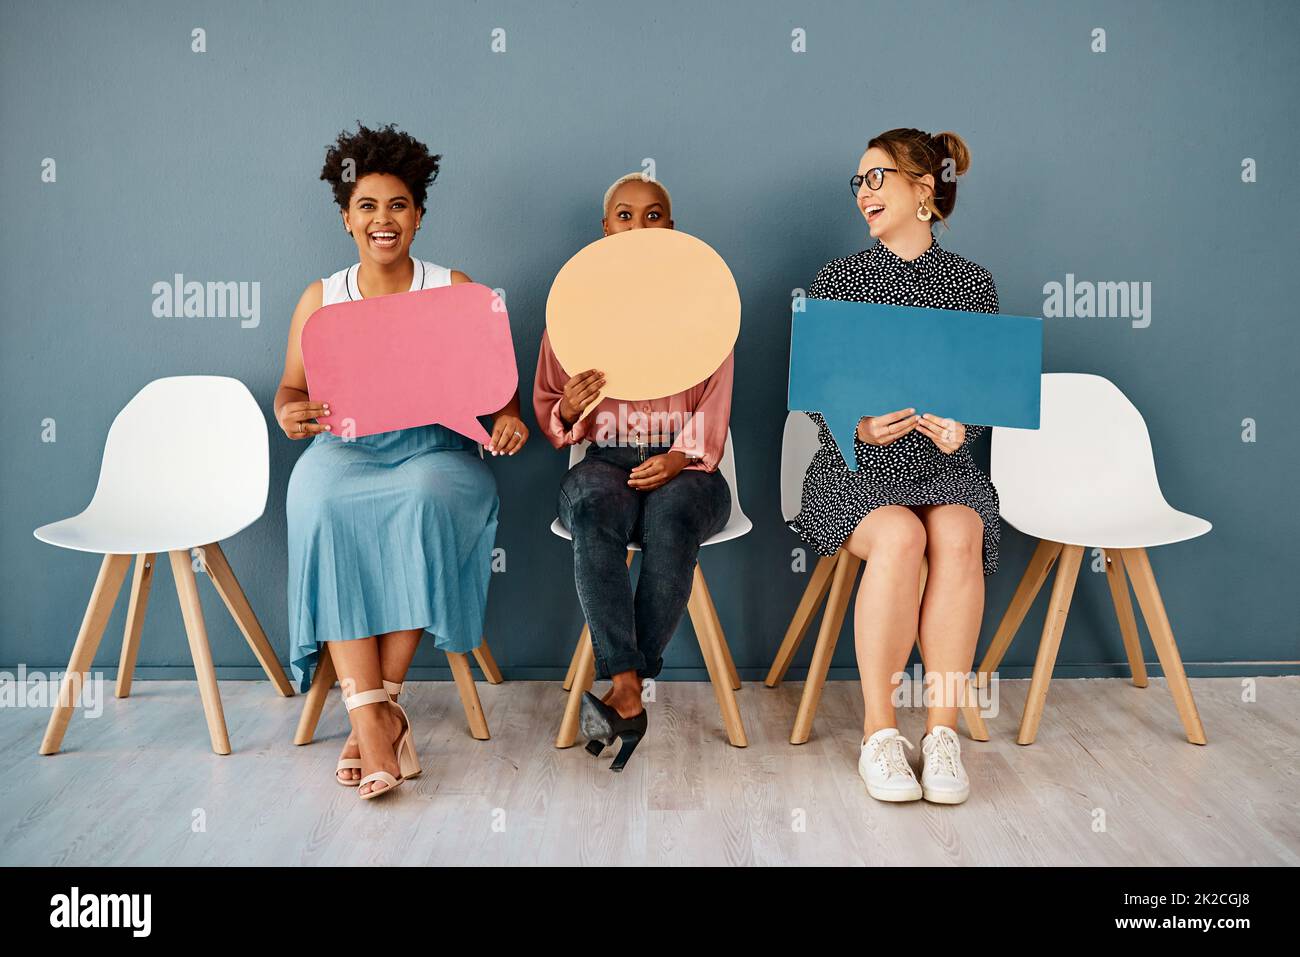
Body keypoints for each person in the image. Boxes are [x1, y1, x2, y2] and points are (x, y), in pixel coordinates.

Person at [275, 122, 529, 800]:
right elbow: (292, 390)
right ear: (345, 218)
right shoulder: (321, 297)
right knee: (322, 502)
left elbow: (498, 398)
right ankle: (377, 716)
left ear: (417, 215)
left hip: (436, 450)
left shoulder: (454, 287)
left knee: (423, 498)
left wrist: (507, 422)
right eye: (367, 206)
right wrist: (286, 411)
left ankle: (373, 720)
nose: (382, 219)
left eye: (397, 205)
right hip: (346, 450)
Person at [789, 128, 1000, 805]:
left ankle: (940, 735)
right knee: (903, 536)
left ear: (923, 189)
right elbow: (815, 395)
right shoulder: (838, 278)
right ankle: (880, 734)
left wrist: (962, 428)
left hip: (941, 467)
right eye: (860, 182)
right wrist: (855, 424)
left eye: (878, 178)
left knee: (959, 532)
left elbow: (984, 398)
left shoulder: (973, 283)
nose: (865, 193)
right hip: (855, 468)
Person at [534, 172, 733, 771]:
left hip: (688, 462)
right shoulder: (574, 312)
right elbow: (550, 409)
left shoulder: (707, 309)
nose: (638, 225)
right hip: (605, 459)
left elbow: (717, 403)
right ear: (606, 229)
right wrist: (569, 406)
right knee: (595, 507)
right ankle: (627, 682)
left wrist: (678, 457)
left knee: (673, 513)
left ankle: (623, 688)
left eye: (653, 215)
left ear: (671, 228)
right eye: (625, 215)